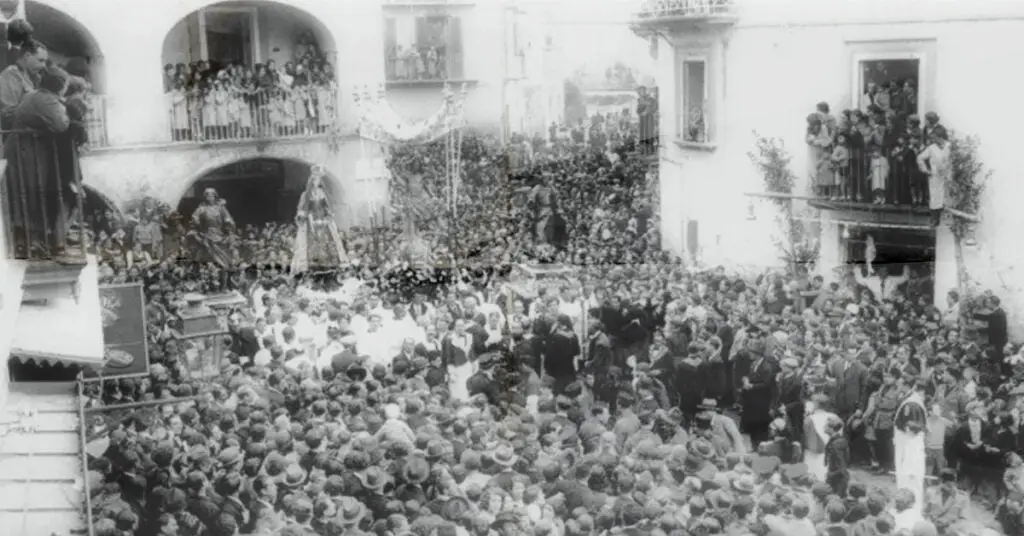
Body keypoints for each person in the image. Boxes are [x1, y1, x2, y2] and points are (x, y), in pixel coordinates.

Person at [291, 164, 348, 273]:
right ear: (311, 181)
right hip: (311, 222)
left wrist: (327, 218)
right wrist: (304, 216)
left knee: (328, 243)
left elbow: (328, 208)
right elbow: (301, 209)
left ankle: (332, 267)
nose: (316, 182)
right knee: (311, 245)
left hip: (324, 222)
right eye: (314, 180)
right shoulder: (305, 195)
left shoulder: (323, 194)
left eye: (318, 179)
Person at [894, 376, 928, 514]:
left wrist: (908, 431)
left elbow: (913, 426)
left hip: (910, 443)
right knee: (908, 474)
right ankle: (909, 504)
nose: (898, 386)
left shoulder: (912, 404)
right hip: (909, 442)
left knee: (909, 475)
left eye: (900, 384)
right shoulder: (911, 400)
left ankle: (910, 506)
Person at [186, 187, 236, 268]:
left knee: (225, 249)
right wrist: (197, 222)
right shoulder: (202, 208)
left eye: (212, 195)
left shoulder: (220, 208)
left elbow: (227, 217)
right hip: (207, 232)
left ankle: (226, 265)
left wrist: (228, 222)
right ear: (205, 197)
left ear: (215, 196)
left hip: (219, 233)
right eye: (207, 195)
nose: (210, 197)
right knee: (203, 247)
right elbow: (195, 216)